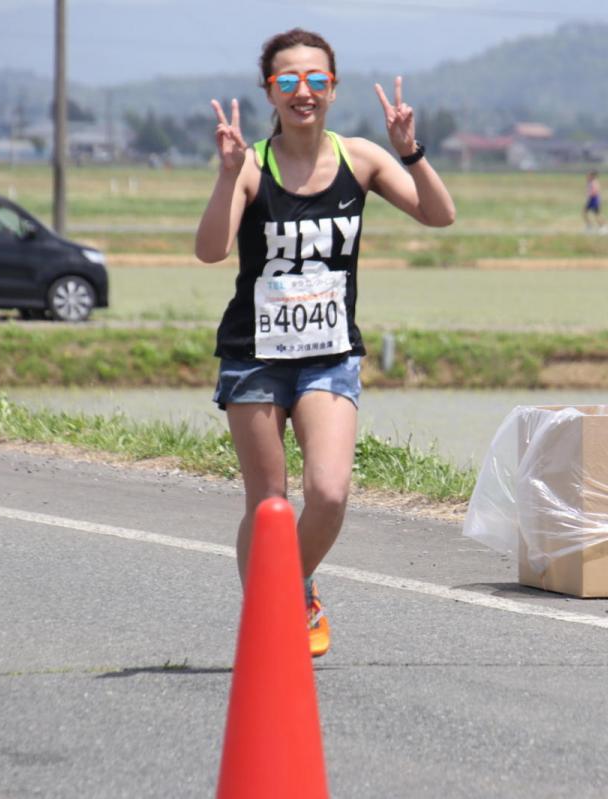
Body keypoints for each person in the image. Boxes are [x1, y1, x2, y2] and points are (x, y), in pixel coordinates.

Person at [194, 28, 456, 655]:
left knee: (330, 493)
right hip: (255, 356)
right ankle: (275, 615)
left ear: (333, 89)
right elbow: (211, 251)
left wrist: (411, 151)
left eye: (315, 80)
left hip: (329, 354)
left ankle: (287, 590)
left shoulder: (360, 158)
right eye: (288, 81)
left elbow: (439, 214)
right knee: (268, 504)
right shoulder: (252, 164)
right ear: (270, 92)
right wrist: (229, 175)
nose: (302, 92)